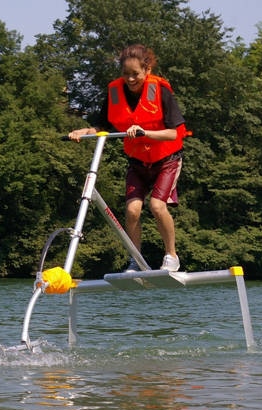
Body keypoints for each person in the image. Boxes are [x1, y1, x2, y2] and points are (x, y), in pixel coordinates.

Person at [68, 44, 187, 272]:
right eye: (126, 74)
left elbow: (174, 132)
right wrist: (84, 131)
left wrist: (145, 132)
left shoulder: (161, 91)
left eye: (136, 74)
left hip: (167, 159)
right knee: (132, 211)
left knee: (156, 206)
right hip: (137, 161)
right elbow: (101, 126)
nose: (131, 79)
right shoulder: (114, 92)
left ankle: (171, 256)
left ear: (147, 69)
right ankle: (136, 260)